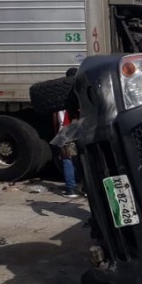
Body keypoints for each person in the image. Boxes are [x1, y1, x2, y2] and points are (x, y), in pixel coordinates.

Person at [56, 67, 80, 198]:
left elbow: (56, 116)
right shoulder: (79, 91)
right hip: (79, 128)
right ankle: (85, 187)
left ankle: (71, 189)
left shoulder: (60, 94)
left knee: (67, 160)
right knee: (81, 159)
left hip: (66, 130)